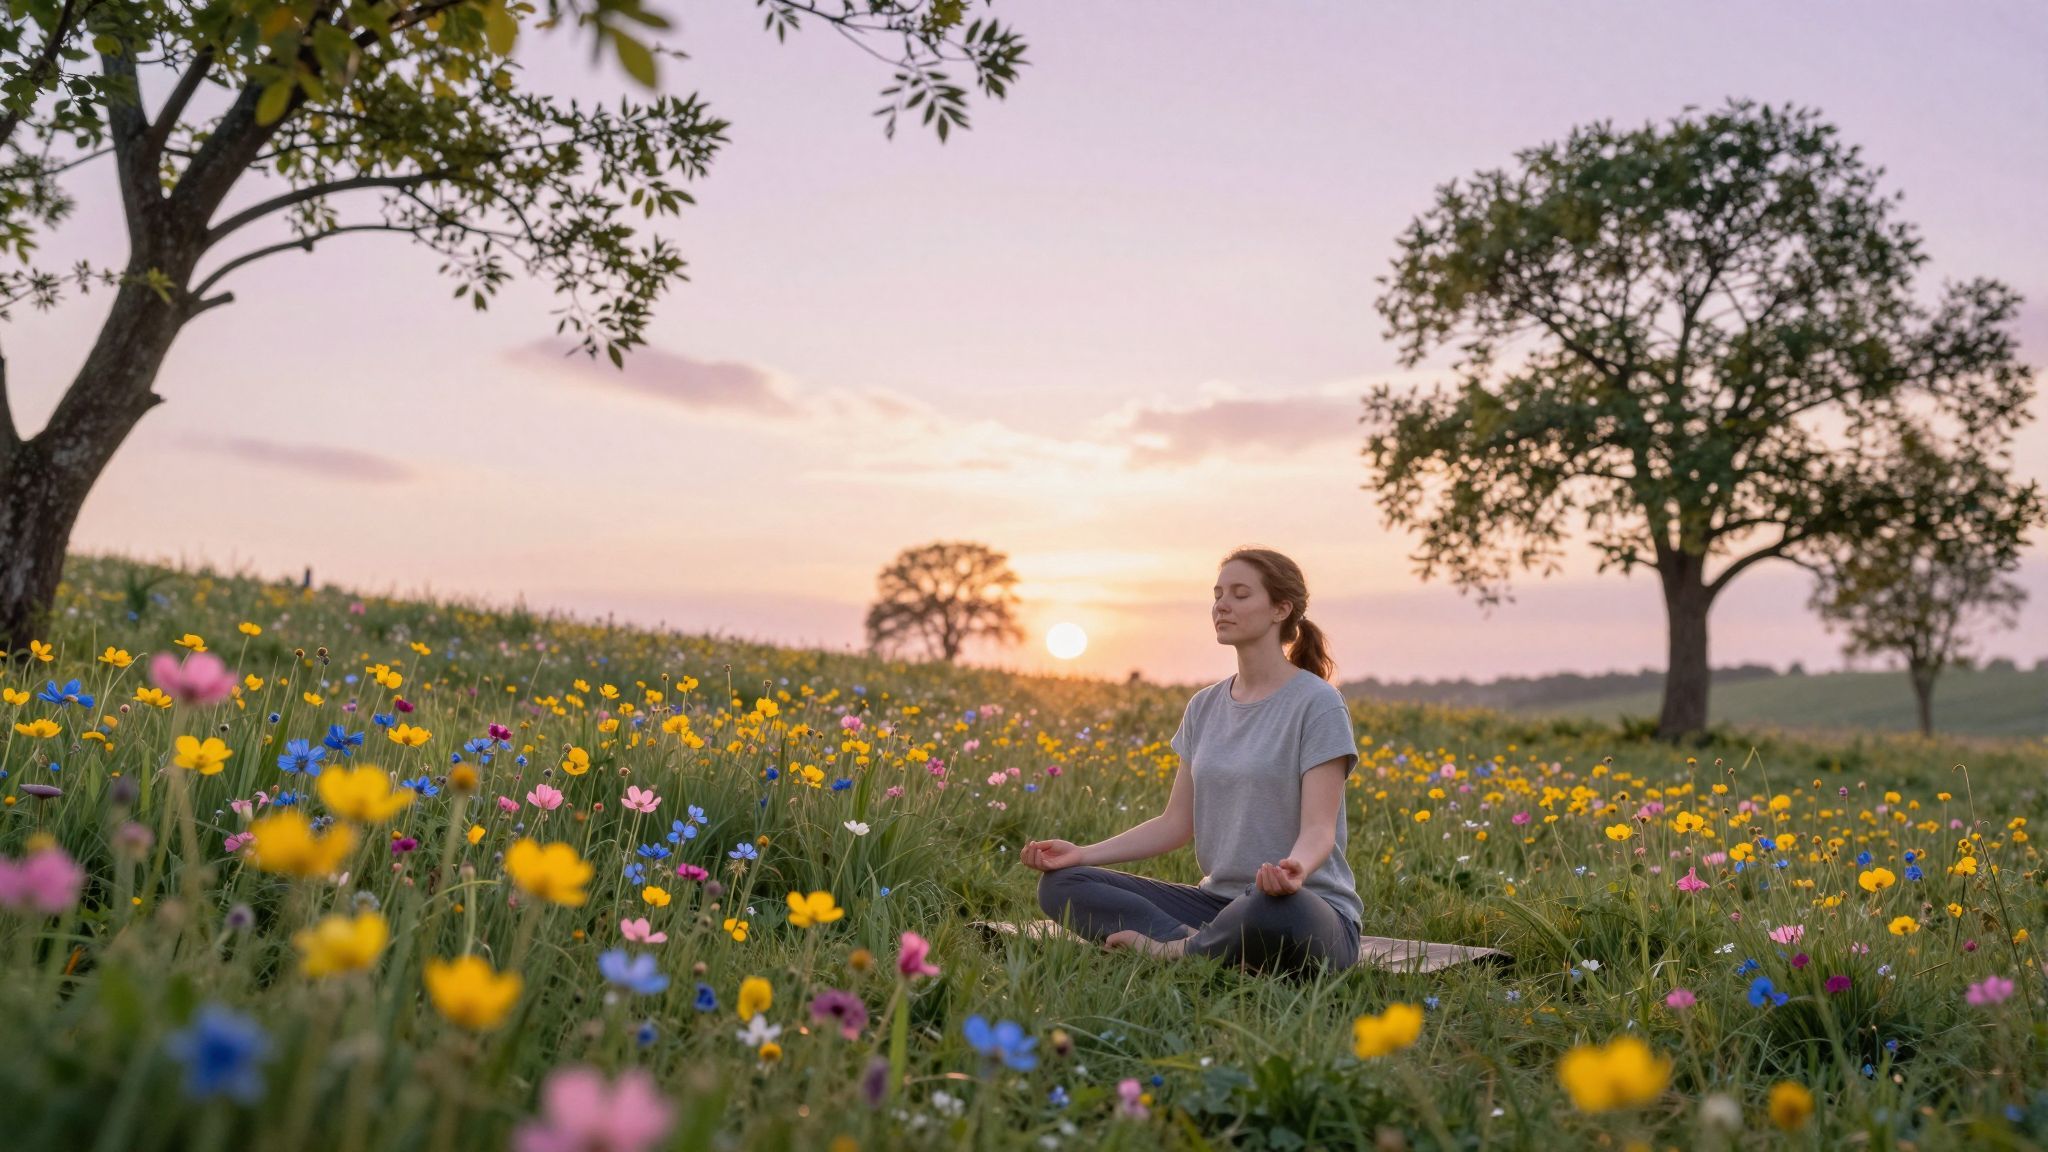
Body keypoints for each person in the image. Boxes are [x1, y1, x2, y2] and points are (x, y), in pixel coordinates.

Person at [1023, 547, 1362, 977]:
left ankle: (1173, 952)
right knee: (1062, 886)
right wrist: (1083, 854)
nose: (1222, 605)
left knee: (1272, 909)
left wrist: (1295, 869)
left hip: (1302, 908)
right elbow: (1174, 825)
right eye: (1218, 594)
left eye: (1240, 594)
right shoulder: (1204, 706)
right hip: (1216, 906)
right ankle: (1203, 947)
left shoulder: (1318, 704)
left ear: (1281, 608)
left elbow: (1319, 828)